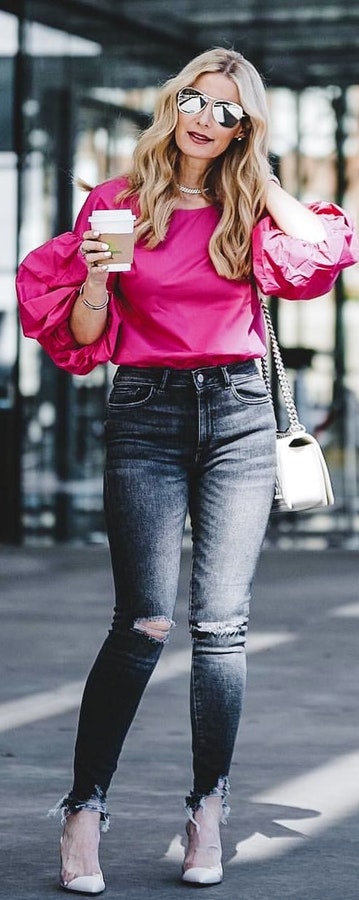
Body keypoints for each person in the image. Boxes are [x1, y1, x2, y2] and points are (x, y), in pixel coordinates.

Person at [16, 47, 358, 893]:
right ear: (173, 104)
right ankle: (83, 812)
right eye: (197, 101)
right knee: (141, 623)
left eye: (228, 111)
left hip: (240, 413)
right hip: (146, 411)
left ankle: (208, 809)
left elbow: (322, 245)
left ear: (246, 126)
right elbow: (86, 338)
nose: (207, 119)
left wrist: (261, 169)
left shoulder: (250, 206)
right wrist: (98, 277)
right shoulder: (118, 202)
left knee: (223, 628)